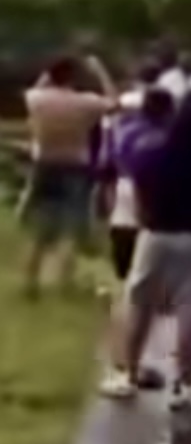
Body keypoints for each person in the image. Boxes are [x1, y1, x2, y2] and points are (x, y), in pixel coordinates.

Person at [102, 90, 191, 404]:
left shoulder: (154, 150)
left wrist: (144, 220)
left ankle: (128, 374)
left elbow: (139, 190)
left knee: (140, 305)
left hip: (157, 234)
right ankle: (185, 384)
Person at [98, 87, 175, 391]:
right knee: (144, 297)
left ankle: (120, 360)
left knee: (126, 288)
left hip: (122, 209)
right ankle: (128, 361)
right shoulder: (166, 139)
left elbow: (105, 173)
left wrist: (108, 211)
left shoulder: (122, 132)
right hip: (152, 216)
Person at [20, 53, 116, 296]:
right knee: (72, 228)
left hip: (44, 163)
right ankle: (64, 282)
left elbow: (37, 87)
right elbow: (114, 103)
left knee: (42, 228)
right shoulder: (85, 103)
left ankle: (30, 280)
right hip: (75, 165)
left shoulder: (36, 99)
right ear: (74, 78)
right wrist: (99, 70)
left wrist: (48, 73)